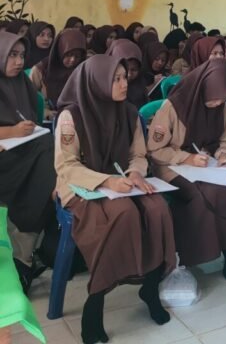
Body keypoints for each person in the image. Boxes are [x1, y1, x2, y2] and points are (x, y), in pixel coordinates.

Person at [55, 55, 175, 344]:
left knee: (158, 209)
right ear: (96, 83)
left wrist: (135, 173)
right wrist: (107, 181)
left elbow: (137, 154)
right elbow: (66, 166)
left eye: (125, 78)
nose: (124, 84)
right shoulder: (71, 116)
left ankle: (150, 285)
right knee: (124, 215)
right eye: (116, 79)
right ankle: (96, 299)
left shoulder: (129, 112)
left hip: (122, 180)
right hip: (84, 186)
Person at [147, 60, 226, 280]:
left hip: (207, 164)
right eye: (214, 97)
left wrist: (224, 156)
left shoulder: (223, 107)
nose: (218, 102)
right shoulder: (174, 107)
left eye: (223, 98)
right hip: (172, 166)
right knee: (202, 194)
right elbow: (155, 150)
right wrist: (187, 158)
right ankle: (198, 253)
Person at [0, 32, 57, 293]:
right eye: (12, 54)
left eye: (22, 55)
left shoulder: (22, 84)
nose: (19, 61)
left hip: (22, 152)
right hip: (5, 158)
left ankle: (24, 258)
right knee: (48, 164)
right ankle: (26, 255)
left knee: (48, 152)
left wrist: (28, 128)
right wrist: (11, 132)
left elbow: (29, 117)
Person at [30, 29, 87, 115]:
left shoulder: (84, 70)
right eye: (68, 55)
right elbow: (27, 96)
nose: (73, 60)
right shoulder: (41, 69)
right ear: (60, 51)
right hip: (48, 119)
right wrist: (43, 111)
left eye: (77, 56)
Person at [106, 39, 146, 109]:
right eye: (125, 70)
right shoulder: (107, 87)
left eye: (134, 70)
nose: (129, 74)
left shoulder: (140, 83)